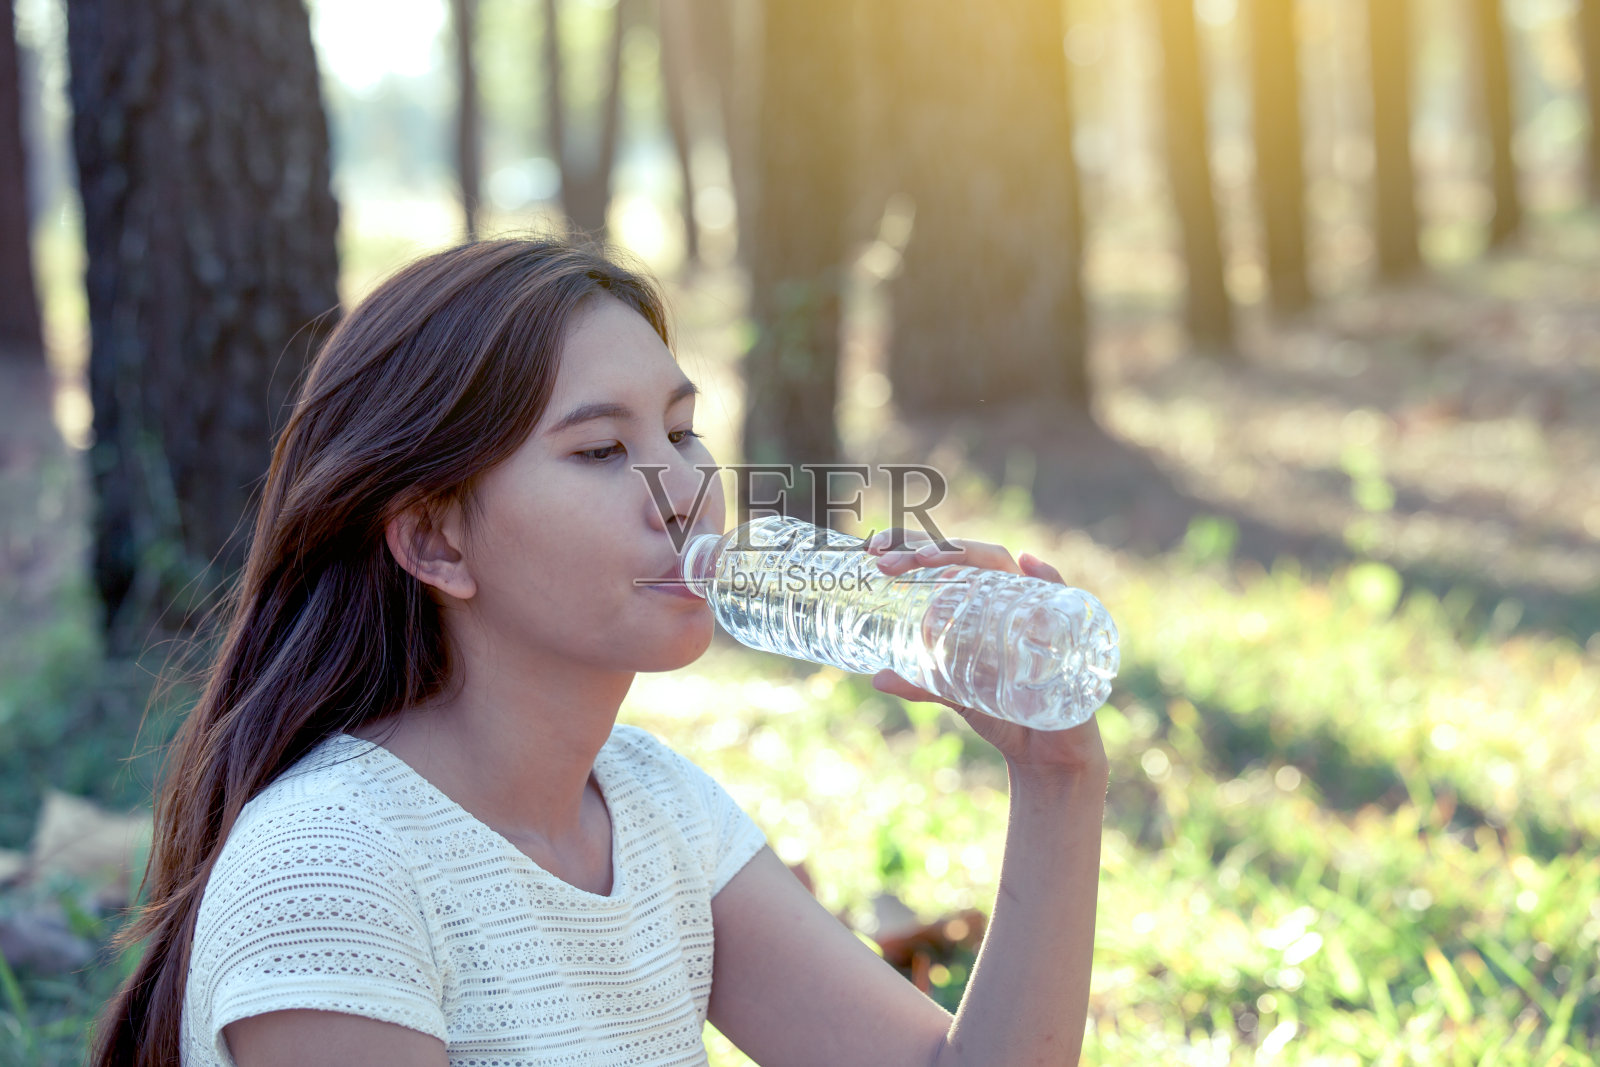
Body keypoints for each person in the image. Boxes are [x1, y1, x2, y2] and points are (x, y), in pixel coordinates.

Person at [89, 238, 1109, 1067]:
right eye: (599, 450)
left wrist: (1056, 777)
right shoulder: (332, 867)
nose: (682, 491)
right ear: (436, 539)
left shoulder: (659, 814)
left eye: (681, 430)